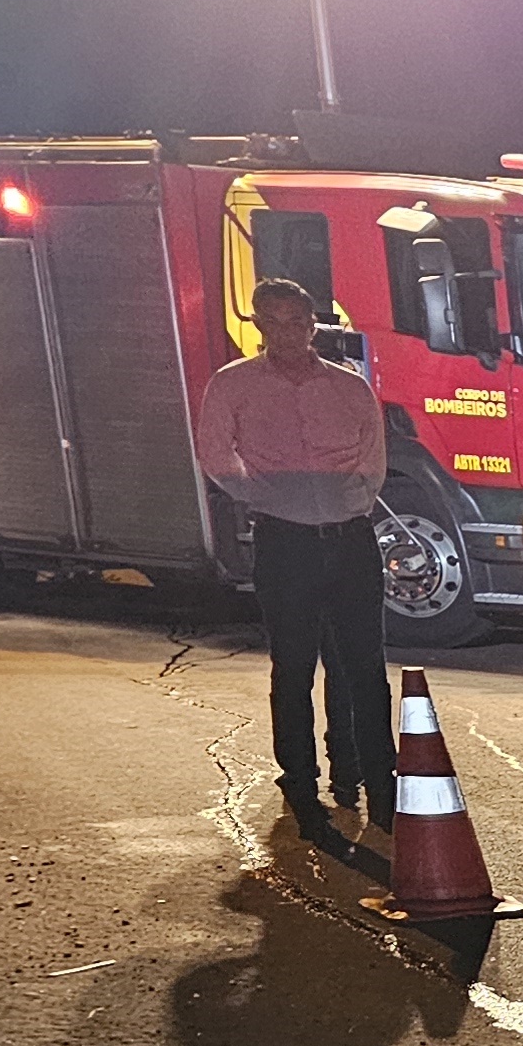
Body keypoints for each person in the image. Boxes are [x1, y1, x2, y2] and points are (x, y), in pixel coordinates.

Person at [195, 276, 392, 835]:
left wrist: (349, 502)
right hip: (285, 543)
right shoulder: (233, 384)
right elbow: (215, 451)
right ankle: (301, 782)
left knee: (364, 669)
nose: (286, 332)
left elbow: (372, 459)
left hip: (350, 540)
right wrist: (261, 496)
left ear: (313, 325)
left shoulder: (349, 386)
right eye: (273, 320)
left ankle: (375, 779)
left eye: (296, 321)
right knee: (294, 667)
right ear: (258, 323)